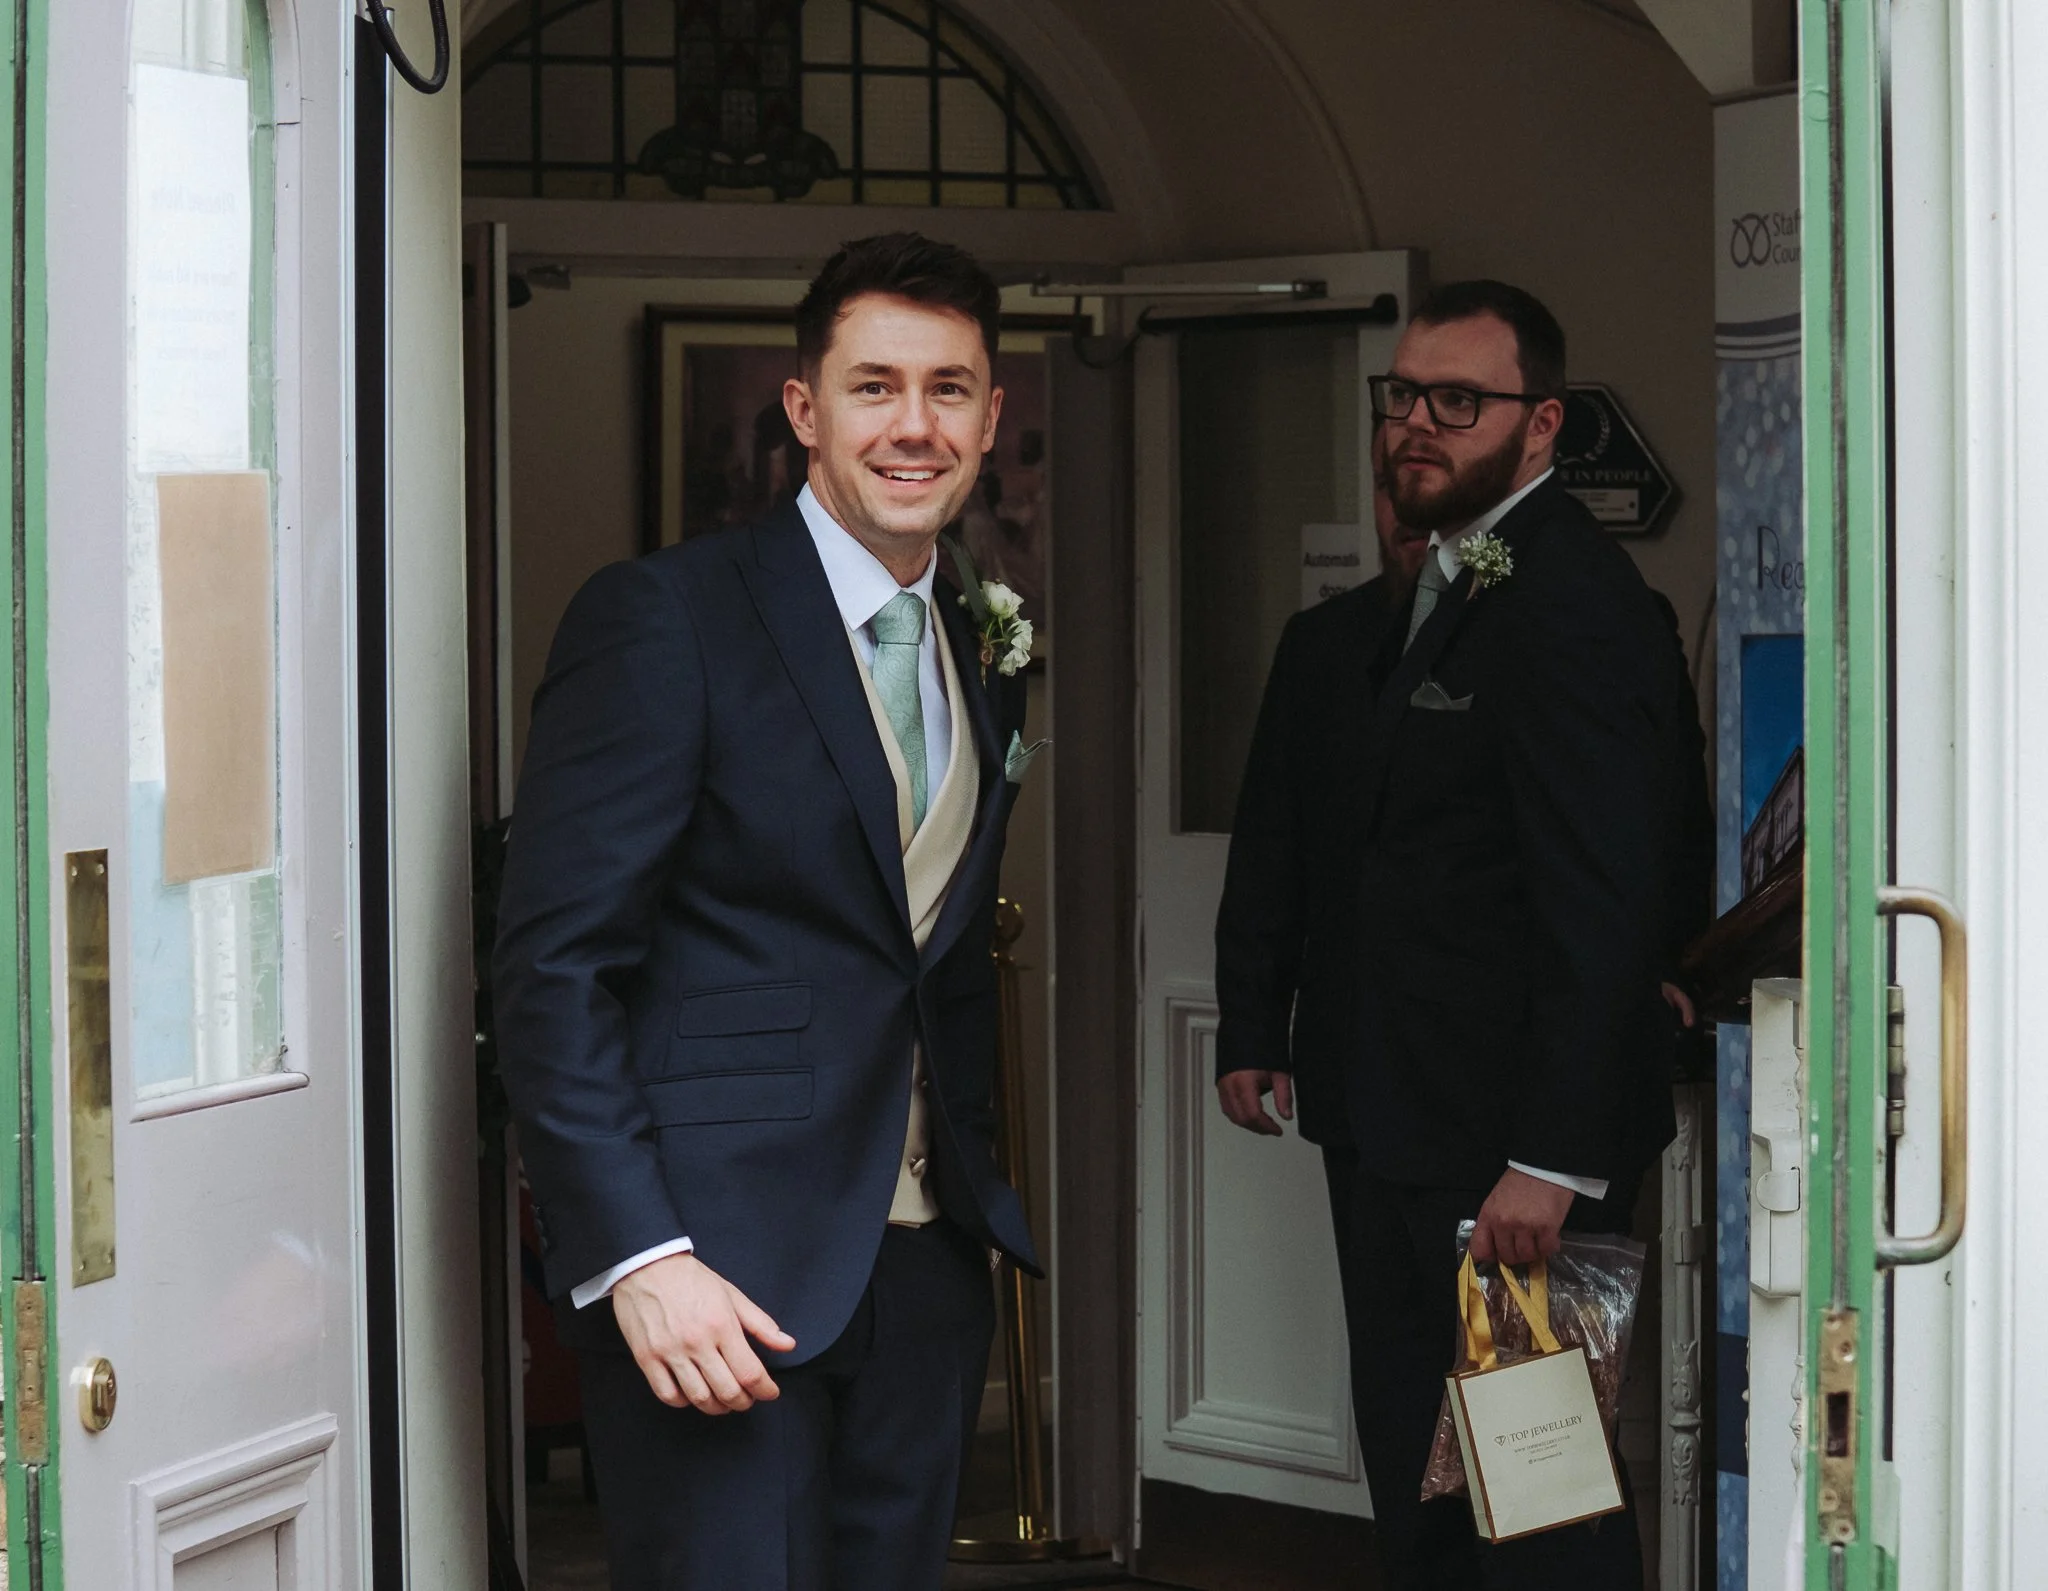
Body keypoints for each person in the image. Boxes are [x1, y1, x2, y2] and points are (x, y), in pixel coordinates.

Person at [493, 232, 1038, 1591]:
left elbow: (929, 956)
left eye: (950, 388)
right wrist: (636, 1256)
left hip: (922, 1277)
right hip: (714, 1277)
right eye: (873, 386)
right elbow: (553, 966)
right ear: (805, 409)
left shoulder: (983, 644)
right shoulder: (667, 619)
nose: (914, 424)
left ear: (991, 416)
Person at [1214, 280, 1696, 1590]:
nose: (1416, 425)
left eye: (1458, 402)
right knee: (1422, 1506)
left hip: (1510, 1159)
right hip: (1393, 1124)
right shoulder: (1433, 590)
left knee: (1537, 1503)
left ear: (1540, 427)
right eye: (1404, 397)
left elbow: (1605, 895)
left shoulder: (1574, 602)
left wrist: (1550, 1160)